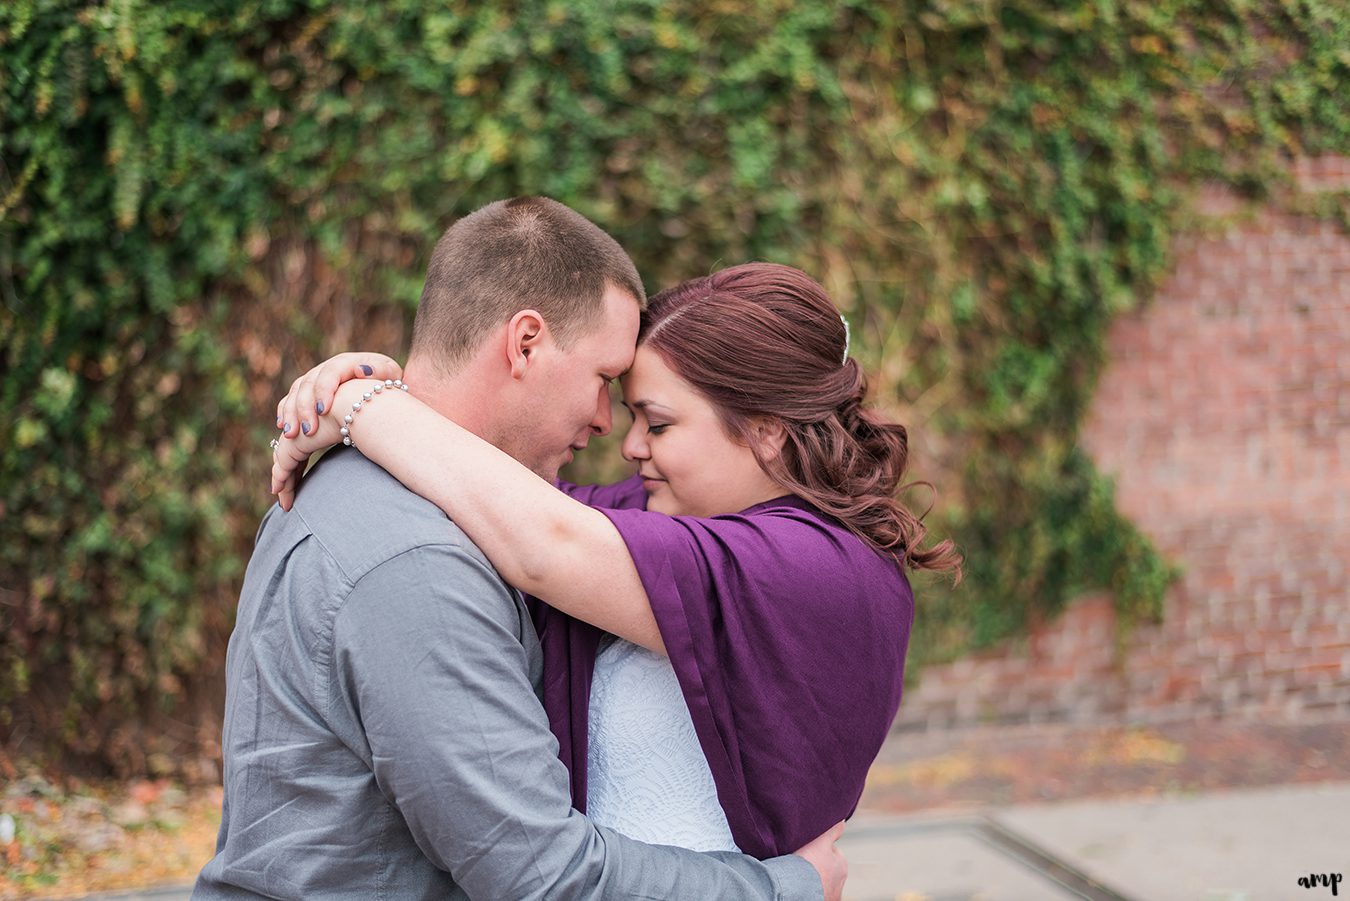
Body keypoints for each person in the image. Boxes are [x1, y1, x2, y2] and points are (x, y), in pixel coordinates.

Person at [195, 198, 844, 900]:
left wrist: (364, 404)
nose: (606, 422)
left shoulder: (387, 492)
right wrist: (785, 889)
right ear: (525, 342)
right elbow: (544, 878)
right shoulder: (419, 561)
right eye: (603, 380)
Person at [269, 261, 962, 862]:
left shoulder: (825, 568)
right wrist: (376, 384)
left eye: (657, 423)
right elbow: (493, 489)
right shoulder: (669, 511)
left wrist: (366, 408)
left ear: (768, 432)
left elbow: (546, 544)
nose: (630, 444)